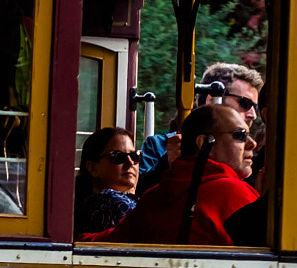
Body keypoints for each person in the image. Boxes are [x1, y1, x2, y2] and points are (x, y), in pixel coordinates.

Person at [93, 105, 259, 246]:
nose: (252, 143)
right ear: (205, 144)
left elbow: (109, 241)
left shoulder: (153, 197)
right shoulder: (233, 194)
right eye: (240, 135)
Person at [138, 61, 262, 182]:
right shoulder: (159, 146)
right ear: (212, 99)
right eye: (245, 103)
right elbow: (136, 193)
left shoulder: (250, 154)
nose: (253, 115)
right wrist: (165, 164)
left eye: (255, 107)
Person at [75, 127, 139, 236]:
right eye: (118, 156)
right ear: (93, 168)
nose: (130, 162)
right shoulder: (111, 202)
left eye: (134, 156)